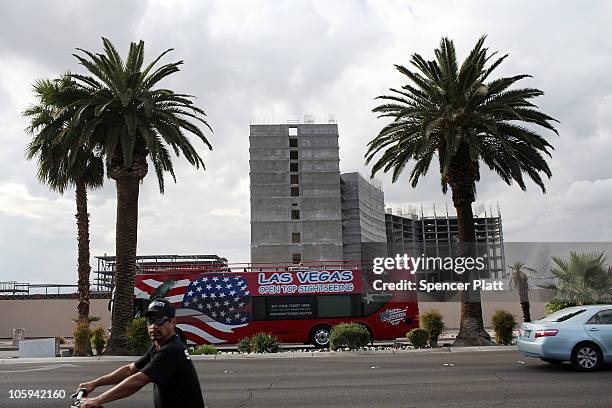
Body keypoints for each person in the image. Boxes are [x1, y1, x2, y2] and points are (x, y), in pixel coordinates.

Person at [76, 298, 205, 408]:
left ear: (173, 322)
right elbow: (130, 370)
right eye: (150, 321)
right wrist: (94, 384)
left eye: (159, 320)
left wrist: (98, 400)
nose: (154, 326)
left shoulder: (172, 350)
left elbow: (138, 381)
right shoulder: (159, 346)